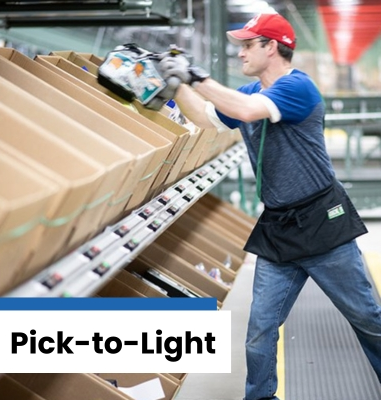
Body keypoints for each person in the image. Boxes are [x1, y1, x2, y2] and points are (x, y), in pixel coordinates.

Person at [158, 12, 381, 400]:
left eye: (248, 45)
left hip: (322, 225)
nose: (241, 52)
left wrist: (195, 76)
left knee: (368, 319)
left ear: (272, 47)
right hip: (278, 229)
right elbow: (209, 118)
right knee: (260, 329)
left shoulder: (298, 88)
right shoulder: (246, 93)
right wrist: (176, 86)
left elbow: (247, 112)